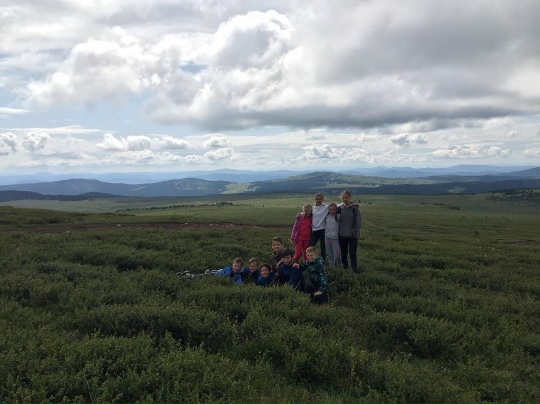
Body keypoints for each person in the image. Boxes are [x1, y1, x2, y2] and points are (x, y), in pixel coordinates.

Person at [338, 190, 361, 273]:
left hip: (352, 235)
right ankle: (345, 268)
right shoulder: (340, 208)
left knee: (352, 253)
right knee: (343, 253)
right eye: (343, 198)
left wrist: (354, 232)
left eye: (346, 197)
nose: (345, 199)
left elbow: (358, 222)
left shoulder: (355, 208)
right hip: (342, 235)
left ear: (350, 198)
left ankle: (354, 270)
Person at [308, 193, 328, 260]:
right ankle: (310, 260)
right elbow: (307, 212)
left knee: (323, 246)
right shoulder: (312, 207)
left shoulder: (326, 207)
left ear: (323, 199)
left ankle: (322, 261)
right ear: (315, 199)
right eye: (317, 199)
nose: (318, 200)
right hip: (315, 230)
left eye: (320, 199)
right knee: (310, 246)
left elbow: (336, 206)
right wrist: (299, 215)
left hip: (323, 229)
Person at [324, 202, 341, 267]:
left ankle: (340, 267)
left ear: (336, 209)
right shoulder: (326, 216)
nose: (332, 211)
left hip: (335, 238)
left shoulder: (338, 216)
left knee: (337, 255)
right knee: (330, 255)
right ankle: (331, 268)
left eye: (333, 210)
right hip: (327, 238)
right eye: (330, 210)